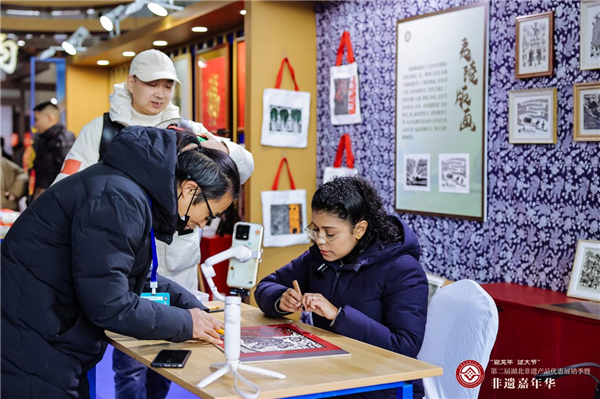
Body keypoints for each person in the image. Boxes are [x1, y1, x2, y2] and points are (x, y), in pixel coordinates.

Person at [52, 49, 254, 399]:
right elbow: (63, 190)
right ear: (131, 83)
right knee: (130, 361)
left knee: (171, 361)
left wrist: (203, 143)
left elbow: (242, 165)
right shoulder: (102, 131)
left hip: (175, 268)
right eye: (151, 84)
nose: (160, 93)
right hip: (122, 266)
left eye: (167, 86)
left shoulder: (187, 131)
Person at [1, 126, 239, 399]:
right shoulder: (118, 198)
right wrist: (187, 323)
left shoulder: (128, 189)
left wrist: (192, 308)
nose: (202, 223)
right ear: (188, 189)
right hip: (31, 338)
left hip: (47, 327)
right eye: (209, 214)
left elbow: (123, 276)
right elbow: (109, 303)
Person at [254, 176, 429, 399]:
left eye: (330, 233)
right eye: (315, 229)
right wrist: (280, 300)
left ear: (360, 228)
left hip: (382, 387)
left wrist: (337, 315)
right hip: (331, 376)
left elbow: (404, 346)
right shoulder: (319, 258)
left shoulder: (403, 269)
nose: (319, 240)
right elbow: (266, 285)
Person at [31, 101, 75, 201]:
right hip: (43, 199)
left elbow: (68, 176)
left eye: (37, 120)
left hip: (57, 200)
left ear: (50, 118)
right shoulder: (41, 140)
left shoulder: (65, 140)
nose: (35, 124)